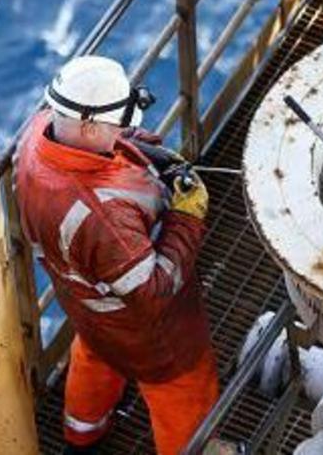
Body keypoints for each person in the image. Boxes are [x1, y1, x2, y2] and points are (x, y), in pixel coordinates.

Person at [14, 55, 218, 455]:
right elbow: (153, 294)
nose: (126, 129)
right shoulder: (103, 217)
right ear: (89, 126)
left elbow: (100, 149)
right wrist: (186, 216)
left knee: (95, 353)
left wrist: (140, 151)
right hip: (146, 332)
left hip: (89, 305)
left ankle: (82, 435)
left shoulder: (40, 135)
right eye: (119, 124)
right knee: (183, 389)